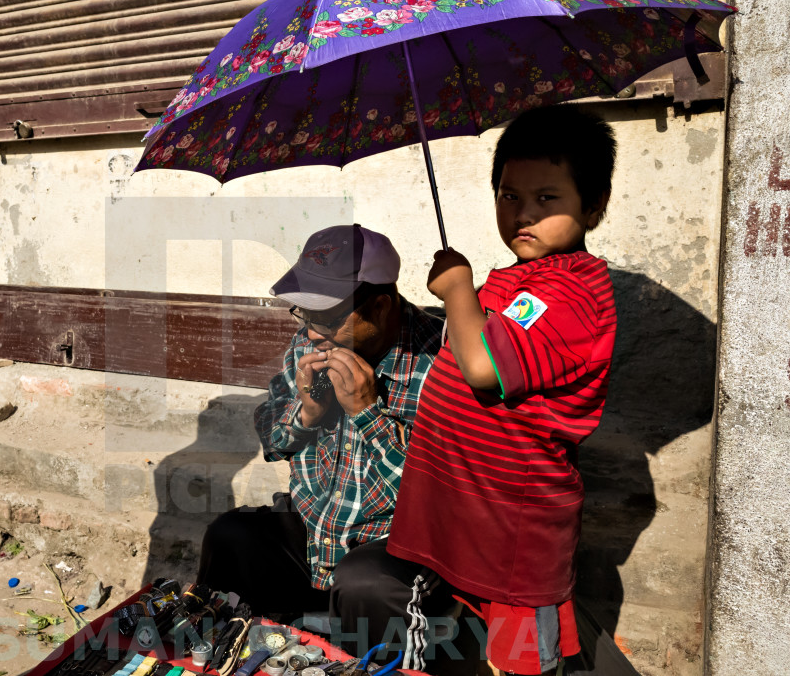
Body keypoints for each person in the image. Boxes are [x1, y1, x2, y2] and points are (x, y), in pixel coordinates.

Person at [334, 105, 618, 676]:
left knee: (520, 662)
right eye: (509, 197)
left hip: (513, 527)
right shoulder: (520, 278)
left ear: (592, 207)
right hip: (467, 509)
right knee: (459, 640)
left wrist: (459, 291)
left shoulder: (573, 294)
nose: (522, 215)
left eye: (546, 199)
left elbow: (484, 367)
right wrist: (471, 292)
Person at [196, 224, 443, 626]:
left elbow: (438, 491)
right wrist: (307, 413)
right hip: (314, 526)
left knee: (367, 585)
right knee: (231, 536)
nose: (311, 331)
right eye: (305, 313)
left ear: (380, 307)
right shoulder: (310, 344)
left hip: (394, 540)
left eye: (326, 318)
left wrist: (368, 413)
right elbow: (274, 441)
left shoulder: (442, 361)